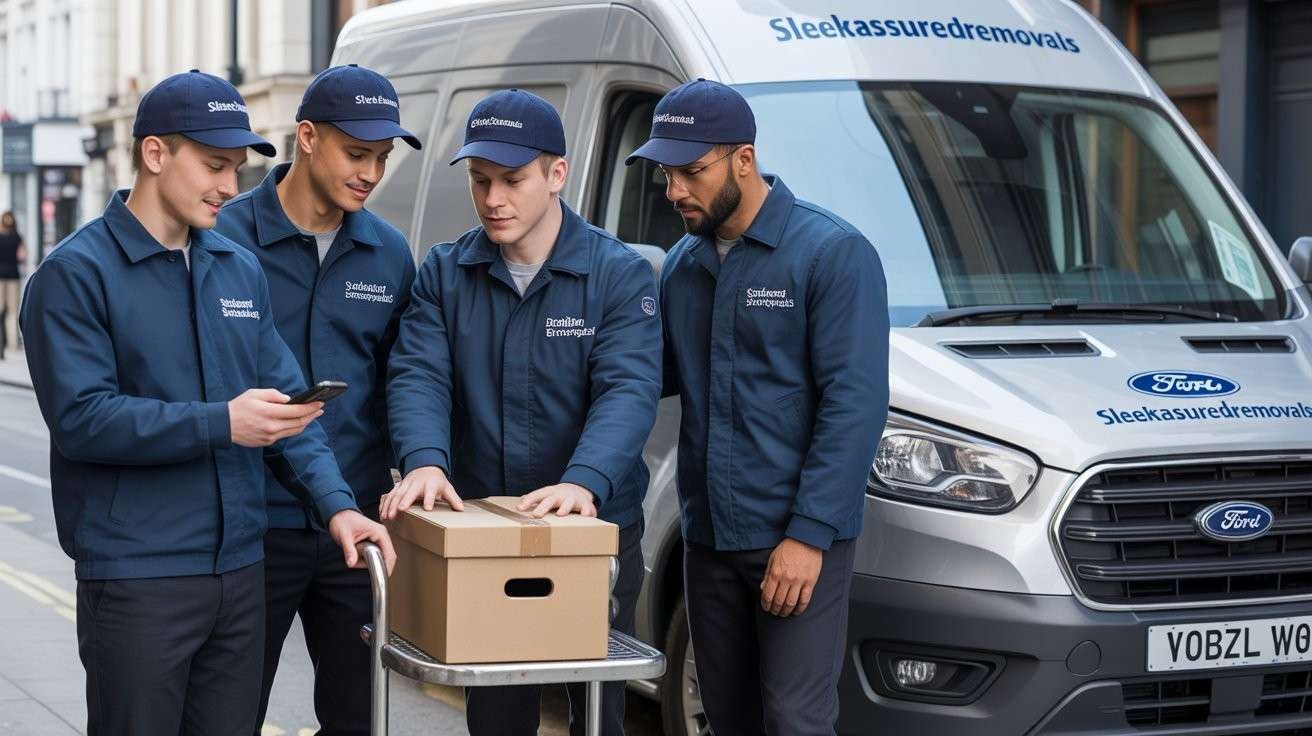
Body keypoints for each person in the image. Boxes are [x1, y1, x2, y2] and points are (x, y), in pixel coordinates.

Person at [19, 69, 395, 736]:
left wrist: (339, 508)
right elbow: (83, 420)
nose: (230, 185)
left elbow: (288, 408)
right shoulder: (74, 275)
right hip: (139, 576)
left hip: (240, 570)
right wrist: (224, 423)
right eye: (214, 165)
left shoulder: (234, 266)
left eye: (237, 167)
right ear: (155, 153)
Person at [381, 88, 662, 736]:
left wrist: (583, 481)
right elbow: (419, 372)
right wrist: (424, 460)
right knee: (497, 710)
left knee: (596, 709)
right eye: (480, 181)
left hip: (593, 538)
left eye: (512, 180)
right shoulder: (446, 274)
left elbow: (628, 389)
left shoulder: (616, 275)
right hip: (486, 535)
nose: (492, 199)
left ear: (556, 174)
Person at [625, 78, 889, 736]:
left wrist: (808, 535)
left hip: (795, 542)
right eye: (666, 174)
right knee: (725, 719)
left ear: (743, 158)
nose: (675, 191)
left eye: (691, 172)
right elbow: (643, 379)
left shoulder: (830, 254)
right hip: (709, 542)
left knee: (795, 721)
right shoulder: (684, 268)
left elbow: (853, 407)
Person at [213, 63, 420, 736]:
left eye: (382, 158)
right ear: (306, 137)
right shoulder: (224, 240)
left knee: (359, 718)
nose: (370, 172)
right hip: (250, 528)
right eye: (356, 153)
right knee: (229, 715)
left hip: (352, 530)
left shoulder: (390, 255)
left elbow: (403, 382)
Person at [0, 211, 24, 359]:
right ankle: (13, 345)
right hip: (13, 275)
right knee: (13, 312)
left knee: (0, 311)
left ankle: (2, 345)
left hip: (0, 277)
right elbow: (22, 256)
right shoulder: (18, 237)